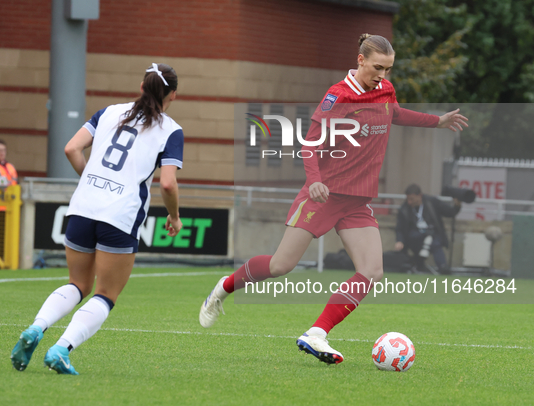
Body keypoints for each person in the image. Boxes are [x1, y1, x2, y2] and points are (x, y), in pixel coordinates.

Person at [199, 34, 468, 365]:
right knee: (280, 265)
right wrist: (314, 182)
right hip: (323, 196)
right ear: (360, 60)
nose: (383, 75)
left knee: (371, 272)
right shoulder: (335, 98)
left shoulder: (385, 89)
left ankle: (316, 334)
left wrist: (436, 122)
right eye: (377, 67)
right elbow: (309, 145)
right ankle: (223, 289)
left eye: (388, 69)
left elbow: (394, 113)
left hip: (357, 202)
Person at [10, 63, 184, 375]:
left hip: (82, 207)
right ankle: (61, 349)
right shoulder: (171, 130)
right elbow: (168, 183)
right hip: (120, 215)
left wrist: (91, 179)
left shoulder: (108, 112)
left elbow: (71, 148)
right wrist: (174, 216)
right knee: (105, 293)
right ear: (173, 95)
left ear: (142, 87)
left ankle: (36, 328)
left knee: (77, 283)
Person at [394, 183, 461, 273]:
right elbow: (400, 227)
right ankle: (418, 265)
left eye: (412, 199)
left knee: (436, 244)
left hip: (433, 234)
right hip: (414, 237)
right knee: (415, 239)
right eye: (408, 199)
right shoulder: (404, 209)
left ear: (419, 196)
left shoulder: (432, 202)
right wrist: (399, 240)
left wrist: (457, 205)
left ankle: (443, 268)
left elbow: (449, 212)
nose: (409, 202)